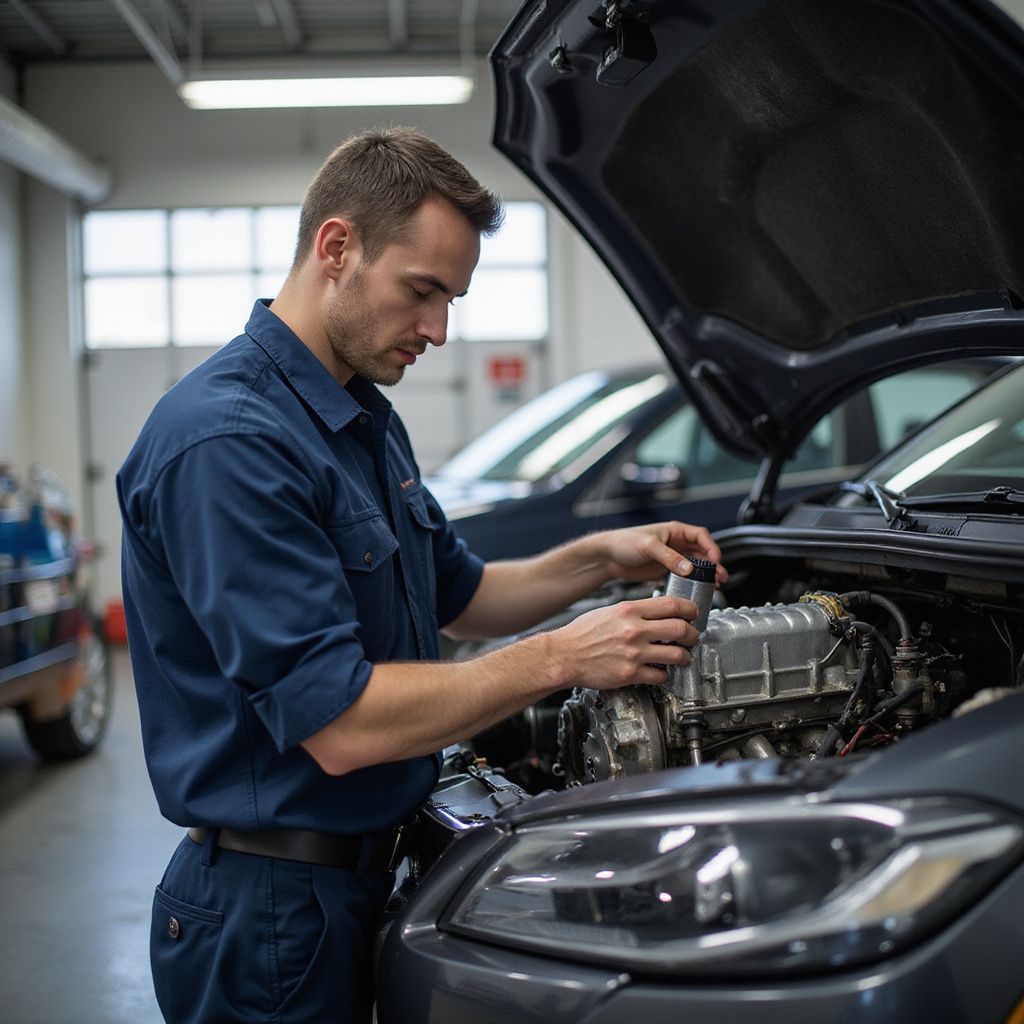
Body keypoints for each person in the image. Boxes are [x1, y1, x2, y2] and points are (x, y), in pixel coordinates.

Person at [117, 127, 726, 1024]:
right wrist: (561, 658)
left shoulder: (359, 414)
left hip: (368, 880)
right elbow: (341, 726)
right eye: (422, 292)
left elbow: (465, 595)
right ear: (337, 248)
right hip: (274, 916)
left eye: (454, 298)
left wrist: (603, 556)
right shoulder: (232, 442)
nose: (439, 330)